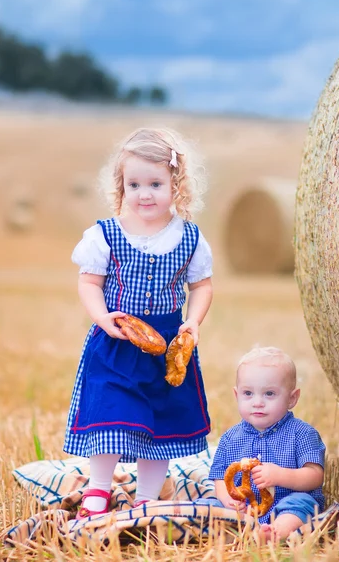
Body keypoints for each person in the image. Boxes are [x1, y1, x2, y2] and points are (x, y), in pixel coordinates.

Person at [63, 127, 213, 520]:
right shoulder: (104, 235)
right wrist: (102, 318)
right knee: (109, 414)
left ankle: (147, 497)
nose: (144, 193)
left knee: (160, 424)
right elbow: (89, 283)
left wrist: (192, 322)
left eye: (155, 183)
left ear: (176, 186)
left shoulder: (190, 239)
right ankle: (98, 488)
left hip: (166, 348)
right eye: (134, 184)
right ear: (121, 187)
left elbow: (202, 286)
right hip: (115, 343)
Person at [196, 347, 325, 541]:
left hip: (287, 503)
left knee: (303, 502)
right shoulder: (230, 438)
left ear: (292, 398)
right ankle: (232, 528)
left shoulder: (303, 434)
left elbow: (315, 476)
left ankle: (275, 531)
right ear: (236, 395)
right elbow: (220, 478)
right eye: (248, 393)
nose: (258, 402)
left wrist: (280, 475)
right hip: (244, 508)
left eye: (269, 394)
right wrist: (228, 500)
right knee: (207, 504)